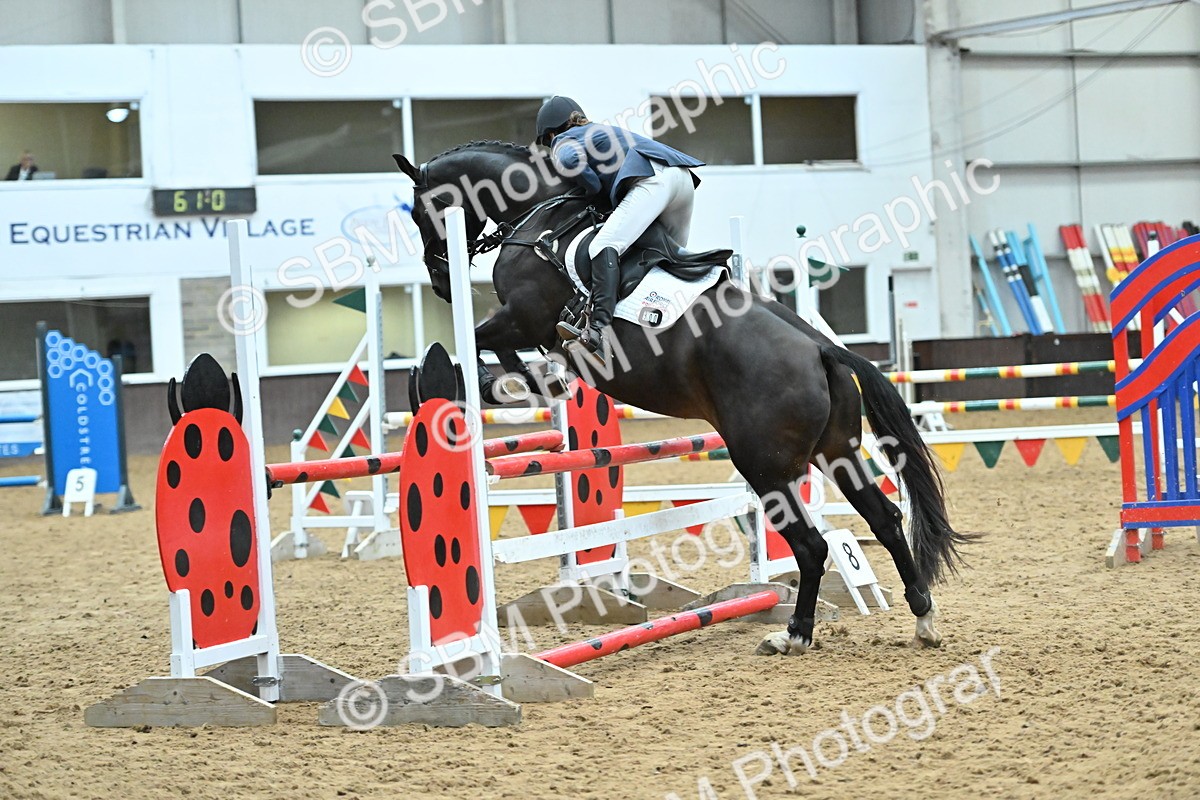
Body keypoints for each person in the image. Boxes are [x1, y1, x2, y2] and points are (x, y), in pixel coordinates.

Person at [535, 96, 704, 362]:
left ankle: (598, 332)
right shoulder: (598, 130)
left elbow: (569, 161)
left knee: (603, 245)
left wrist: (593, 189)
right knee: (667, 263)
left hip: (652, 181)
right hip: (680, 179)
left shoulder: (563, 141)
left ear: (552, 132)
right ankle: (677, 331)